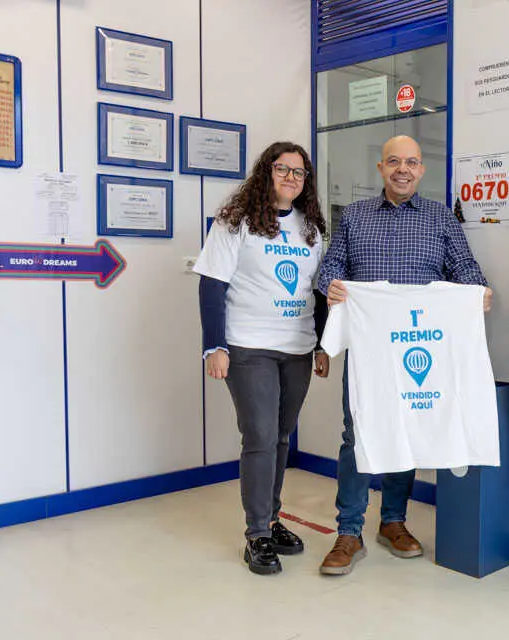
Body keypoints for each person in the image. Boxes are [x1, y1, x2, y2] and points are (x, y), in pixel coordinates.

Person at [316, 135, 492, 575]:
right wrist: (331, 286)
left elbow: (466, 270)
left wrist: (478, 293)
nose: (403, 169)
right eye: (393, 161)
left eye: (411, 162)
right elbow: (330, 269)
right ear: (380, 167)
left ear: (421, 169)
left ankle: (393, 521)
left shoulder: (439, 218)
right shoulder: (354, 217)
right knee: (356, 434)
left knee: (407, 428)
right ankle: (349, 531)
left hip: (421, 345)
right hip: (371, 350)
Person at [193, 141, 330, 576]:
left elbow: (321, 292)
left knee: (282, 437)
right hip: (248, 346)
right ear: (265, 173)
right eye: (282, 169)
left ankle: (272, 519)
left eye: (300, 172)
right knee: (259, 436)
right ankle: (256, 534)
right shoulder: (237, 221)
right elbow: (212, 286)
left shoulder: (311, 228)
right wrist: (214, 346)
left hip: (297, 347)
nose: (291, 178)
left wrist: (324, 343)